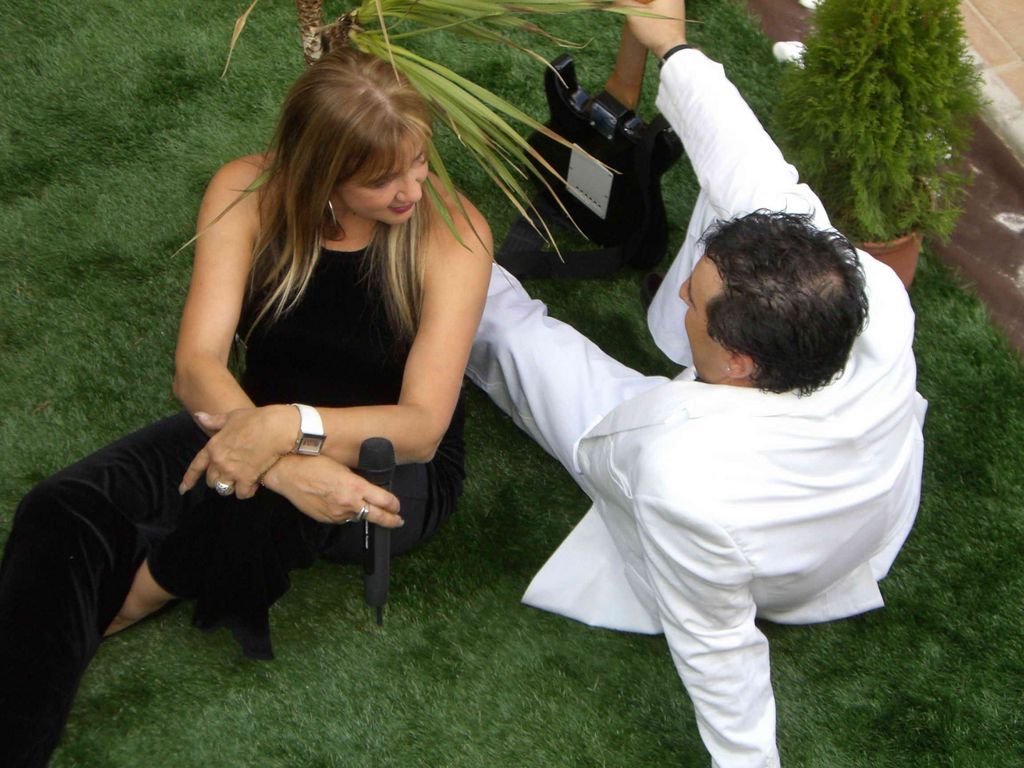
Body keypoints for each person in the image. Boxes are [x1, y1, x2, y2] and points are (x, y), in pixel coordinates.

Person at [0, 47, 491, 767]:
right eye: (381, 178)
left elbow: (421, 427)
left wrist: (289, 431)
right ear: (319, 170)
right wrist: (283, 461)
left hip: (391, 463)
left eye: (419, 161)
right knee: (60, 508)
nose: (411, 189)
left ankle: (135, 597)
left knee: (246, 509)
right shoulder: (246, 190)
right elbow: (198, 366)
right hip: (247, 416)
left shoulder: (453, 233)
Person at [467, 1, 926, 765]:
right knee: (730, 191)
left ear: (739, 363)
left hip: (779, 557)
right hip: (865, 496)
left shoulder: (685, 475)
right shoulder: (869, 289)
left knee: (516, 338)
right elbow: (749, 160)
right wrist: (670, 46)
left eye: (694, 300)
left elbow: (720, 651)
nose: (681, 289)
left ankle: (452, 273)